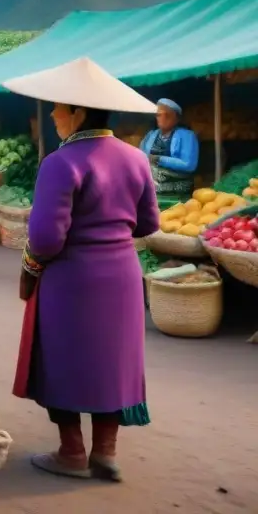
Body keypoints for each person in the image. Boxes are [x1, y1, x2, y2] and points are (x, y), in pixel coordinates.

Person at [11, 63, 160, 483]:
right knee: (112, 361)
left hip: (71, 279)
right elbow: (149, 224)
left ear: (77, 112)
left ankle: (72, 451)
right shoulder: (135, 158)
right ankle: (106, 453)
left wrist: (30, 265)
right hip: (123, 277)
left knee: (63, 359)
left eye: (58, 109)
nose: (54, 116)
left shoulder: (60, 163)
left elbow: (45, 240)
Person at [139, 99, 199, 200]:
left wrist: (159, 159)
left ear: (176, 118)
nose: (163, 118)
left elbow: (189, 165)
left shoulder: (187, 136)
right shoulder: (151, 135)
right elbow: (140, 156)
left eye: (168, 115)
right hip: (152, 184)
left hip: (178, 187)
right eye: (160, 115)